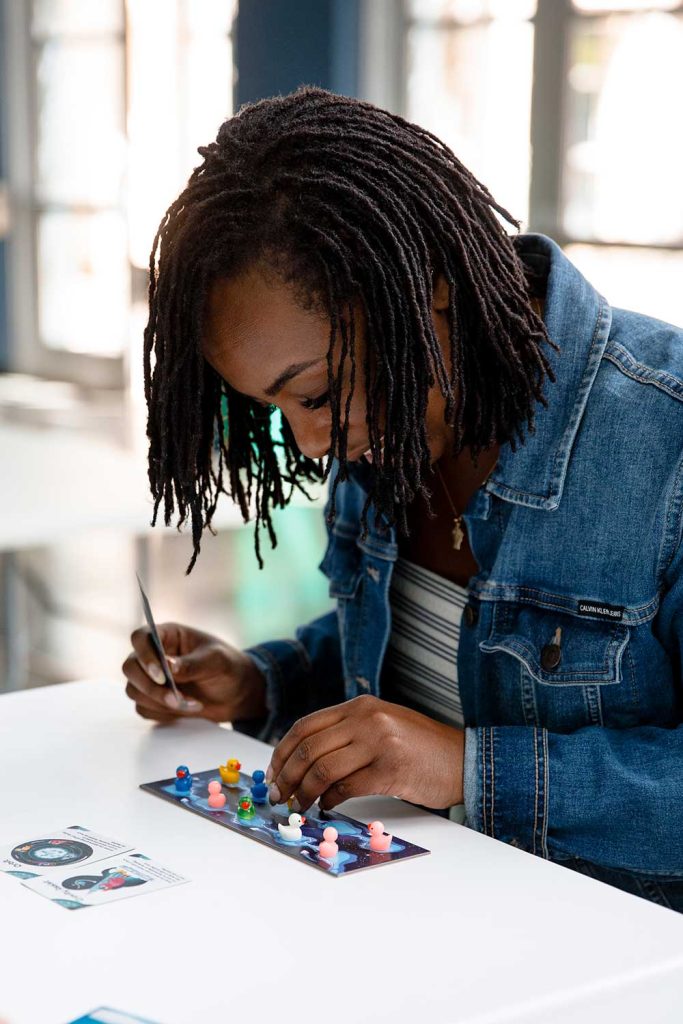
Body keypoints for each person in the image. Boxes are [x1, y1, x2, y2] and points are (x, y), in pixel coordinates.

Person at [122, 86, 683, 911]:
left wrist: (466, 767)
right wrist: (263, 685)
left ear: (431, 294)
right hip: (427, 919)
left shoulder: (663, 441)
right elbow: (420, 657)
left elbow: (451, 739)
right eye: (273, 409)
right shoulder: (401, 411)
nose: (311, 445)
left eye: (312, 396)